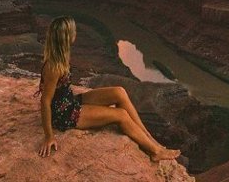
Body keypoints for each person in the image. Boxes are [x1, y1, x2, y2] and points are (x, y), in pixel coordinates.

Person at [34, 15, 180, 161]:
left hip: (70, 101)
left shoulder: (61, 55)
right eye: (73, 31)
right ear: (65, 37)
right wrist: (49, 136)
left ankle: (148, 137)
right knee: (121, 115)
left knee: (119, 92)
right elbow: (45, 101)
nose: (76, 33)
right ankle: (155, 151)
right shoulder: (54, 67)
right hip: (64, 114)